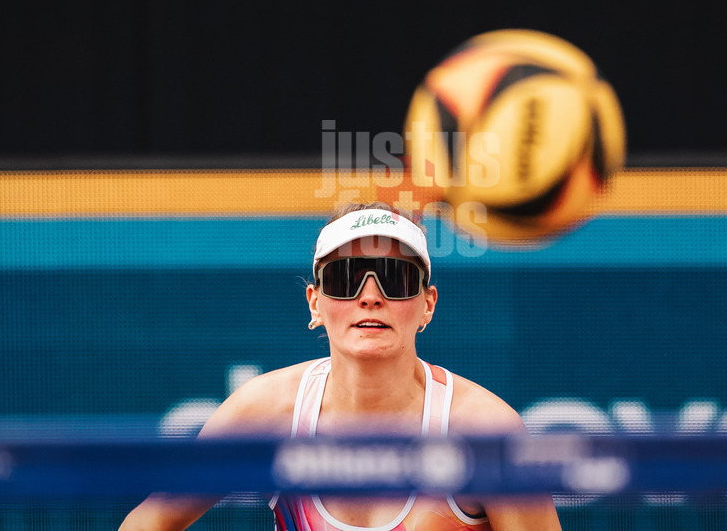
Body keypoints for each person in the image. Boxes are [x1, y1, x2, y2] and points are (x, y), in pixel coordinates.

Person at [120, 202, 562, 531]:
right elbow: (150, 521)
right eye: (346, 278)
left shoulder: (484, 430)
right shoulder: (266, 411)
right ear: (315, 302)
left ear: (427, 305)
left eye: (396, 277)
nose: (370, 296)